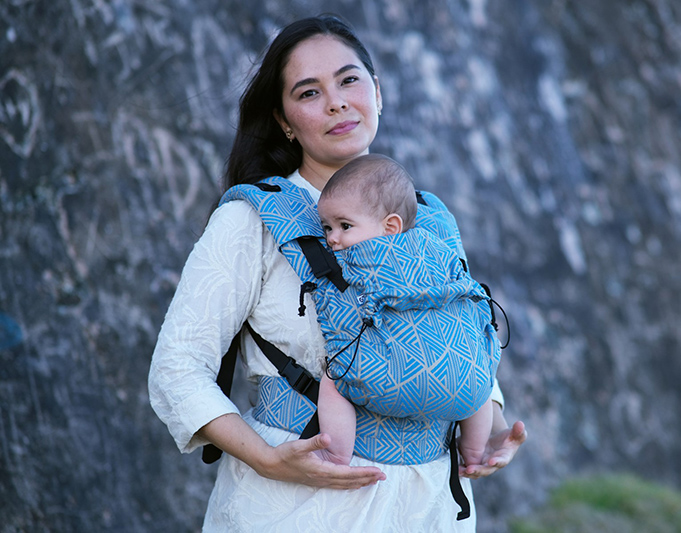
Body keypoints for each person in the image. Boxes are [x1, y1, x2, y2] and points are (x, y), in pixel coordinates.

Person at [148, 14, 526, 532]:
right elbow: (177, 368)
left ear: (378, 90)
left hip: (430, 505)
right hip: (299, 505)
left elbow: (454, 336)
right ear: (284, 120)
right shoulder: (250, 220)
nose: (336, 102)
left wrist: (492, 423)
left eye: (349, 80)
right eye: (308, 92)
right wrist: (265, 459)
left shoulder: (426, 214)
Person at [314, 153, 496, 468]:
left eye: (345, 225)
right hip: (463, 382)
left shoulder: (359, 258)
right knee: (479, 371)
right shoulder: (440, 247)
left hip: (388, 381)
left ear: (391, 227)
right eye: (327, 227)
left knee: (334, 376)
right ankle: (475, 451)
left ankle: (336, 452)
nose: (332, 238)